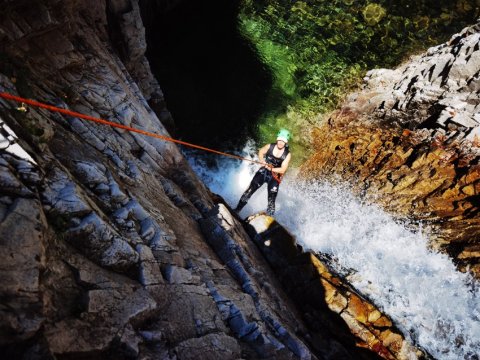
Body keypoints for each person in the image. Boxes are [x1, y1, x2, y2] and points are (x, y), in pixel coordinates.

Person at [235, 129, 292, 216]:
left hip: (275, 177)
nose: (280, 143)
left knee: (271, 201)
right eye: (280, 140)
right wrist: (262, 161)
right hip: (263, 172)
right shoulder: (270, 146)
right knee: (249, 191)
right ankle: (237, 211)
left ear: (286, 142)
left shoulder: (287, 154)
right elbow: (261, 151)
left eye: (283, 141)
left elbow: (283, 169)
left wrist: (271, 169)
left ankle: (269, 219)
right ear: (277, 139)